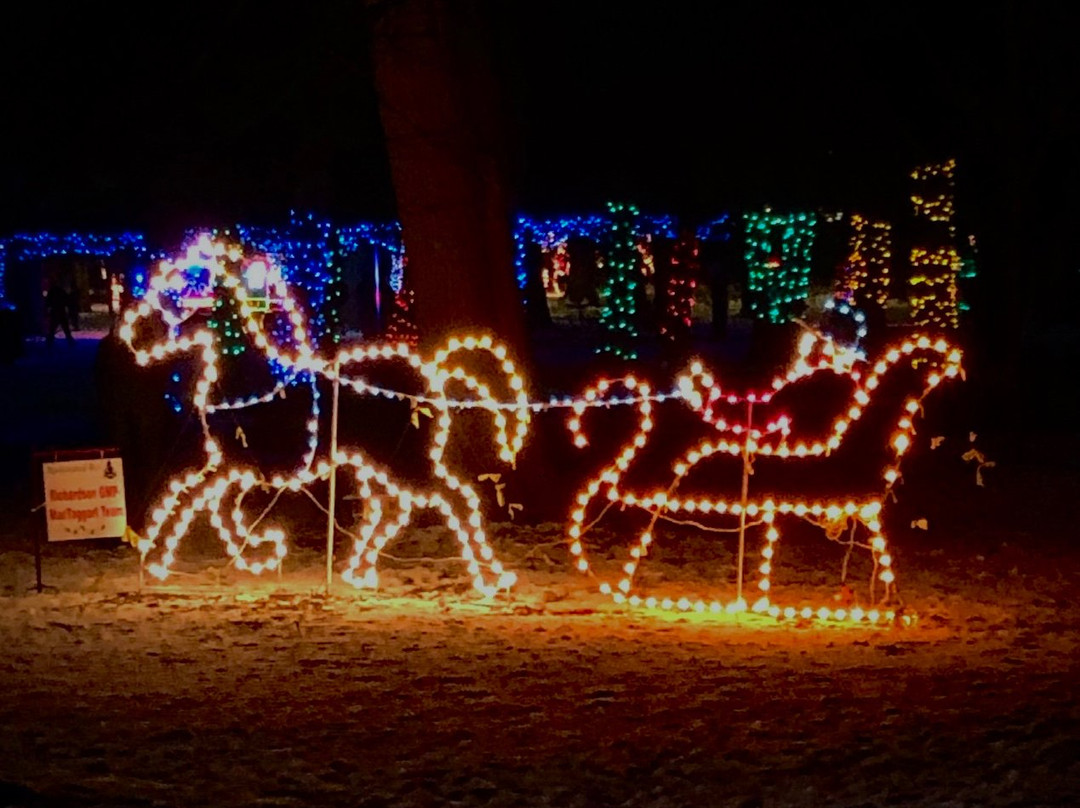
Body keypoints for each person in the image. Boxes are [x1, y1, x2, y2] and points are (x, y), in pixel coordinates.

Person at [46, 281, 74, 348]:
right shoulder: (61, 291)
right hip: (61, 311)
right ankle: (70, 341)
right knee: (65, 327)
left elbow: (48, 301)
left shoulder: (52, 291)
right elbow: (67, 300)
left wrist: (48, 309)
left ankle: (49, 342)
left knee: (53, 328)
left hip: (55, 311)